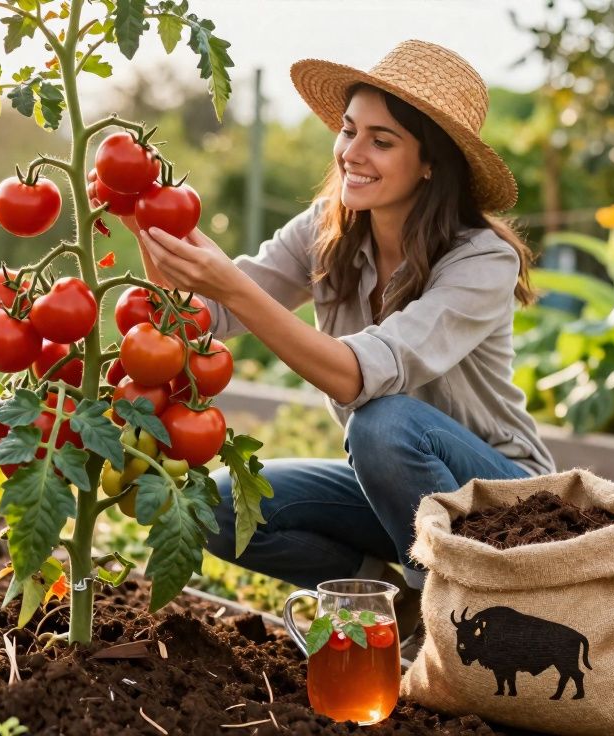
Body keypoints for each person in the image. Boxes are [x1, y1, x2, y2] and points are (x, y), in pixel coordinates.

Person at [123, 40, 555, 649]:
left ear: (431, 162)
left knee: (382, 422)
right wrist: (146, 213)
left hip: (506, 505)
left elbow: (360, 378)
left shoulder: (482, 259)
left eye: (381, 140)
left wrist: (232, 286)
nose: (352, 152)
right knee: (213, 506)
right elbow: (204, 315)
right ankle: (394, 602)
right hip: (400, 499)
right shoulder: (327, 231)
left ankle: (452, 621)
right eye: (349, 130)